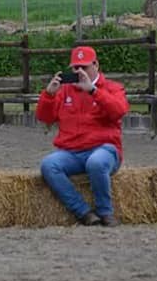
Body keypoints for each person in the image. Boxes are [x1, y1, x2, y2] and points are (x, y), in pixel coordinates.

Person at [36, 46, 130, 227]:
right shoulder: (64, 90)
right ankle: (83, 212)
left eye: (84, 67)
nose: (79, 72)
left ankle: (105, 212)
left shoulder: (112, 88)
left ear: (96, 65)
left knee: (96, 163)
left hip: (104, 148)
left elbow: (119, 111)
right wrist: (49, 94)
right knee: (49, 165)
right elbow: (45, 118)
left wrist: (93, 91)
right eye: (75, 68)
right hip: (71, 152)